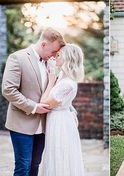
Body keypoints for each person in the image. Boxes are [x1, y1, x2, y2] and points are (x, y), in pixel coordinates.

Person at [2, 27, 65, 176]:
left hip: (43, 125)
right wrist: (33, 107)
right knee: (23, 167)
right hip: (21, 123)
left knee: (35, 166)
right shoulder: (17, 57)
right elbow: (8, 90)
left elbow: (54, 92)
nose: (54, 56)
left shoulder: (49, 63)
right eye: (53, 51)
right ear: (44, 44)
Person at [40, 43, 85, 176]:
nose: (55, 57)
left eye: (59, 55)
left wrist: (51, 79)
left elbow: (45, 104)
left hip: (59, 123)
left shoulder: (66, 84)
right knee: (56, 153)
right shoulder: (63, 78)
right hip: (60, 118)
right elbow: (65, 102)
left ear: (67, 58)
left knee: (60, 154)